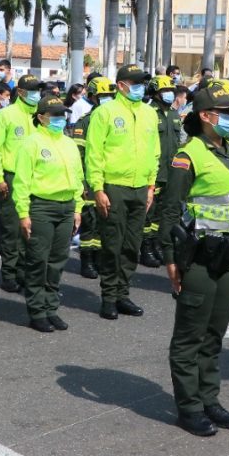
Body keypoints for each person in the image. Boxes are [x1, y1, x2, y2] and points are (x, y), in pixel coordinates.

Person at [159, 83, 229, 437]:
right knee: (189, 337)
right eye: (226, 112)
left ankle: (209, 398)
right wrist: (170, 259)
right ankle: (189, 407)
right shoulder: (188, 155)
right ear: (206, 116)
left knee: (214, 333)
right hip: (197, 258)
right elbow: (169, 211)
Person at [85, 64, 159, 320]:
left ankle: (123, 293)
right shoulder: (105, 112)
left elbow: (154, 152)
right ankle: (108, 297)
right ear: (121, 85)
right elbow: (94, 153)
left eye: (142, 83)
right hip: (113, 188)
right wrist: (97, 188)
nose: (140, 88)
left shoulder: (150, 114)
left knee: (131, 245)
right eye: (135, 83)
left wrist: (151, 186)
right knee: (112, 244)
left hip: (141, 189)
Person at [14, 94, 83, 333]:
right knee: (38, 261)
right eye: (54, 115)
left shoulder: (69, 143)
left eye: (62, 115)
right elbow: (21, 182)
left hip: (66, 207)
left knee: (57, 262)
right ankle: (37, 311)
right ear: (41, 117)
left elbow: (78, 179)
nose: (59, 119)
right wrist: (23, 213)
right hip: (42, 207)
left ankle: (51, 308)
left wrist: (78, 208)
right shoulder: (31, 143)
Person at [0, 74, 44, 293]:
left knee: (31, 228)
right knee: (11, 229)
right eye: (32, 90)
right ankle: (10, 273)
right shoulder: (7, 115)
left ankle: (24, 271)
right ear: (20, 92)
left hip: (37, 178)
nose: (37, 94)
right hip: (12, 177)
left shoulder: (41, 115)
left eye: (38, 90)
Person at [71, 76, 114, 278]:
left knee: (105, 221)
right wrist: (82, 182)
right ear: (93, 97)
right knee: (90, 222)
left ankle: (99, 258)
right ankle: (87, 260)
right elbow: (79, 155)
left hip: (110, 178)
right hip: (89, 178)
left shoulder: (115, 119)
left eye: (109, 95)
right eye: (103, 95)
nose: (107, 98)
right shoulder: (85, 121)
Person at [140, 75, 181, 269]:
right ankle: (145, 247)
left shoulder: (174, 114)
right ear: (155, 93)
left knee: (163, 214)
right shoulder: (148, 113)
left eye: (171, 91)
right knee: (150, 212)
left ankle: (156, 243)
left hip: (171, 172)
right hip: (154, 171)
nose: (169, 94)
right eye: (165, 91)